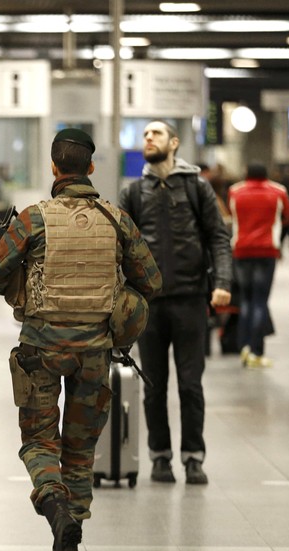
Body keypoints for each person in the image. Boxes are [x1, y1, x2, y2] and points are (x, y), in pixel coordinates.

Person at [0, 129, 161, 551]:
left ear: (54, 168)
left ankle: (55, 506)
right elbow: (152, 281)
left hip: (40, 350)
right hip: (95, 354)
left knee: (40, 441)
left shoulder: (33, 219)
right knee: (81, 450)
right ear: (92, 168)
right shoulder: (116, 218)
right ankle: (71, 534)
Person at [118, 119, 232, 486]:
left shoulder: (196, 187)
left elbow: (217, 237)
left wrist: (223, 282)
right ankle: (160, 456)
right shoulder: (133, 191)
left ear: (175, 143)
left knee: (190, 384)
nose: (148, 138)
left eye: (156, 133)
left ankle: (193, 456)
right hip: (149, 303)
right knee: (153, 384)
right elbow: (120, 246)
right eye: (145, 134)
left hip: (190, 299)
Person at [228, 163, 289, 369]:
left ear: (246, 173)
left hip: (241, 250)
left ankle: (244, 347)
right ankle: (256, 351)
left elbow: (233, 216)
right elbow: (287, 217)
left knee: (245, 300)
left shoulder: (235, 191)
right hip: (266, 251)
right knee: (260, 301)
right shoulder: (279, 191)